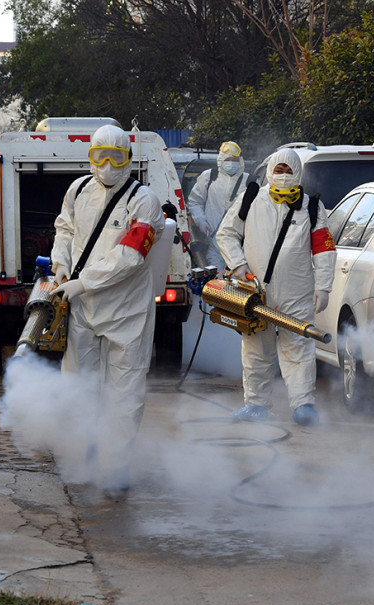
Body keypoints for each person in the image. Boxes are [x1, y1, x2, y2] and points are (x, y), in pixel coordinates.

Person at [50, 123, 166, 498]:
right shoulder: (78, 190)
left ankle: (116, 465)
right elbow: (65, 229)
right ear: (89, 157)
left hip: (126, 312)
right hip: (84, 308)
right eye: (99, 156)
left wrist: (82, 282)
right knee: (79, 385)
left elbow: (131, 256)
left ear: (129, 158)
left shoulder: (144, 200)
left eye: (116, 158)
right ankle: (85, 452)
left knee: (124, 391)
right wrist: (61, 264)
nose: (107, 165)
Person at [215, 148, 336, 427]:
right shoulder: (251, 199)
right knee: (256, 348)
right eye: (279, 170)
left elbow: (324, 250)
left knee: (299, 348)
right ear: (270, 171)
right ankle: (256, 404)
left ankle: (303, 405)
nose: (283, 175)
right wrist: (238, 265)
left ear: (298, 173)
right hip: (254, 291)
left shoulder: (312, 207)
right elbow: (226, 233)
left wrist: (324, 287)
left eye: (289, 171)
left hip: (297, 293)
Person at [187, 141, 249, 269]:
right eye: (228, 159)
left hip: (240, 246)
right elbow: (195, 202)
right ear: (221, 160)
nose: (231, 163)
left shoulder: (249, 181)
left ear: (240, 161)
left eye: (235, 160)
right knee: (215, 279)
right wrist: (201, 221)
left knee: (239, 279)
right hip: (213, 244)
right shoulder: (209, 177)